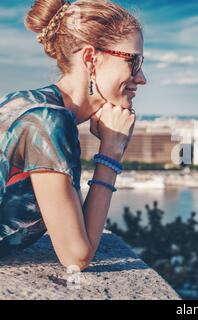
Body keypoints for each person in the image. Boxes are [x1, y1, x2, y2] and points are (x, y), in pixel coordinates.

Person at [0, 0, 147, 271]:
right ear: (90, 58)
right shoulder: (48, 122)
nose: (141, 78)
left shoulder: (27, 103)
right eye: (134, 61)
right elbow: (76, 256)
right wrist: (111, 152)